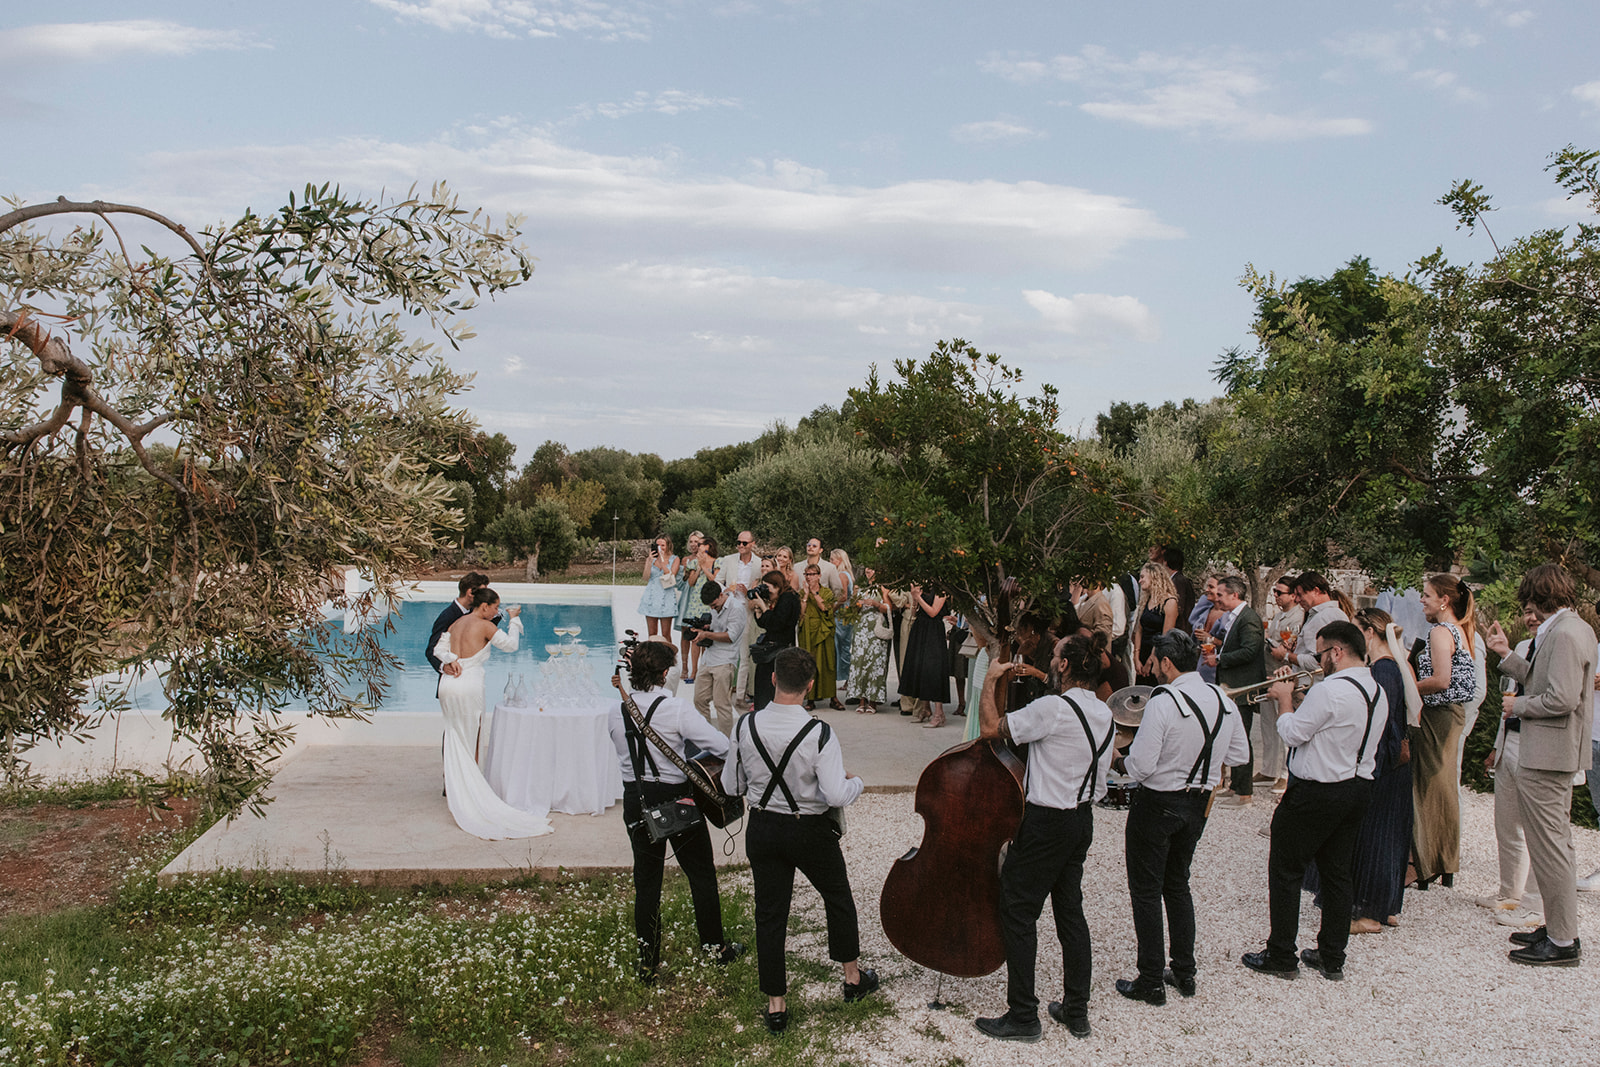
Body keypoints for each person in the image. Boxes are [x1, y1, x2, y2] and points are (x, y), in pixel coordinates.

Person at [721, 647, 876, 1034]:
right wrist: (856, 783)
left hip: (763, 827)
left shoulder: (744, 726)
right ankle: (852, 978)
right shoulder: (819, 732)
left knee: (770, 913)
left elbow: (731, 785)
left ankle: (776, 1005)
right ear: (810, 686)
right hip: (809, 830)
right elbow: (835, 794)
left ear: (773, 679)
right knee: (837, 898)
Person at [972, 635, 1116, 1042]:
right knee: (1070, 913)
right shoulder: (1104, 712)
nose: (1050, 661)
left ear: (1065, 665)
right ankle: (1076, 1010)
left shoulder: (1053, 708)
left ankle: (1023, 1016)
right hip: (1081, 819)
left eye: (1054, 657)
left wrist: (990, 680)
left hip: (1046, 822)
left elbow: (990, 729)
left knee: (1017, 910)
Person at [1242, 621, 1387, 981]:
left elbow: (1293, 733)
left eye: (1321, 654)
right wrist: (1297, 699)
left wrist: (1284, 699)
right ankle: (1331, 956)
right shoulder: (1375, 690)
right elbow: (1325, 727)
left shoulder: (1329, 690)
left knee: (1286, 869)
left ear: (1337, 651)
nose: (1318, 662)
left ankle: (1281, 954)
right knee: (1337, 874)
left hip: (1317, 791)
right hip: (1356, 788)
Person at [1117, 631, 1250, 1003]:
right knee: (1177, 885)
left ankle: (1150, 980)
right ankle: (1184, 972)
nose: (1152, 668)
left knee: (1146, 891)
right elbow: (1239, 756)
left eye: (1154, 661)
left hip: (1157, 802)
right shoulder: (1222, 699)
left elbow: (1142, 766)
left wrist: (1119, 760)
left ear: (1167, 663)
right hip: (1198, 805)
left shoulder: (1163, 701)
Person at [611, 638, 744, 982]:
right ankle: (715, 947)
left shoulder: (617, 711)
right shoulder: (676, 709)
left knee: (646, 881)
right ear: (664, 674)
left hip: (636, 799)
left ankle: (647, 963)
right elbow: (721, 746)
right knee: (700, 874)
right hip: (675, 799)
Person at [1485, 564, 1597, 966]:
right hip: (1552, 753)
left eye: (1529, 601)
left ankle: (1563, 940)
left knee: (1551, 849)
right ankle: (1555, 928)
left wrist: (1519, 706)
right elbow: (1542, 679)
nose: (1527, 610)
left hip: (1549, 755)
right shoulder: (1572, 628)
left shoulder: (1564, 634)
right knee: (1553, 846)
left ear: (1540, 595)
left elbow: (1562, 699)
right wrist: (1507, 656)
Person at [1306, 608, 1415, 934]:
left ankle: (1369, 912)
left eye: (1355, 631)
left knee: (1375, 838)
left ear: (1369, 632)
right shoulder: (1389, 667)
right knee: (1385, 836)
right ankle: (1384, 907)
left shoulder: (1383, 670)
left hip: (1382, 764)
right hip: (1388, 763)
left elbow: (1380, 724)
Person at [432, 590, 553, 840]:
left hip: (448, 684)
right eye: (496, 607)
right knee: (472, 738)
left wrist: (449, 661)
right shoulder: (484, 625)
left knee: (455, 736)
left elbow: (438, 649)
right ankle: (472, 795)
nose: (497, 612)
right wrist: (514, 619)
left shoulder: (456, 623)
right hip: (468, 684)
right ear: (484, 606)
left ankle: (459, 791)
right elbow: (511, 646)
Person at [1479, 605, 1545, 928]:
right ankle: (1509, 892)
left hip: (1539, 744)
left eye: (1537, 611)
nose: (1531, 618)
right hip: (1511, 739)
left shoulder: (1556, 646)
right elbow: (1508, 700)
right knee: (1506, 822)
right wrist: (1496, 745)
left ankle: (1534, 903)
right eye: (1528, 611)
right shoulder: (1521, 646)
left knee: (1538, 829)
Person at [1411, 572, 1476, 889]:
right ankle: (1443, 860)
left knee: (1427, 786)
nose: (1422, 600)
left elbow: (1441, 680)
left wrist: (1407, 687)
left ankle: (1424, 862)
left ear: (1444, 600)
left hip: (1437, 714)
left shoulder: (1440, 632)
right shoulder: (1461, 631)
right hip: (1451, 714)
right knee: (1444, 785)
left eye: (1426, 595)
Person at [1205, 576, 1266, 808]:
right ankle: (1235, 786)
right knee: (1233, 736)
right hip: (1233, 685)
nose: (1217, 598)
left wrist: (1219, 659)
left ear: (1235, 595)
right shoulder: (1235, 617)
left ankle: (1244, 792)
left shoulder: (1248, 619)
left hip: (1242, 686)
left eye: (1220, 594)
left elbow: (1250, 650)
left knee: (1242, 738)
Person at [716, 530, 765, 708]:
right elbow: (717, 580)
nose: (741, 546)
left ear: (752, 544)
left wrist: (748, 592)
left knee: (744, 655)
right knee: (726, 652)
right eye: (738, 542)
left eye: (744, 543)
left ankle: (740, 696)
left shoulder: (759, 563)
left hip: (748, 611)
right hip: (730, 609)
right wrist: (727, 590)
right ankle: (723, 692)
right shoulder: (728, 560)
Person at [691, 580, 747, 736]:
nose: (712, 608)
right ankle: (706, 738)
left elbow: (731, 636)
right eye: (710, 606)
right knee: (699, 700)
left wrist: (706, 634)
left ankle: (726, 742)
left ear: (721, 595)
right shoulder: (715, 606)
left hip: (725, 660)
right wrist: (705, 628)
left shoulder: (736, 608)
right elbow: (716, 628)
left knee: (721, 704)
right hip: (709, 658)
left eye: (714, 605)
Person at [898, 582, 952, 728]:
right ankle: (925, 708)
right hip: (920, 628)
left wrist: (918, 597)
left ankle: (939, 713)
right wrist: (915, 601)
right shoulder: (922, 587)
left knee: (933, 668)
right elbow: (914, 613)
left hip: (933, 630)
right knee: (920, 667)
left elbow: (933, 612)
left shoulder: (941, 589)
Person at [426, 572, 490, 692]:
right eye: (482, 593)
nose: (485, 597)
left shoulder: (476, 613)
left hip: (471, 680)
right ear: (470, 592)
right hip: (451, 681)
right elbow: (431, 650)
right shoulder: (447, 616)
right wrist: (443, 666)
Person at [749, 570, 800, 711]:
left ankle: (767, 711)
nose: (766, 591)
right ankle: (763, 710)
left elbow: (777, 624)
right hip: (772, 649)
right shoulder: (780, 598)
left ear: (777, 586)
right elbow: (766, 624)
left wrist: (764, 608)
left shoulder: (788, 598)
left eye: (767, 587)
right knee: (763, 684)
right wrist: (759, 610)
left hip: (779, 650)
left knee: (769, 687)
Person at [1288, 572, 1348, 675]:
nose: (1297, 600)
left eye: (1300, 594)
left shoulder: (1324, 616)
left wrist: (1286, 656)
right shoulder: (1328, 614)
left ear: (1316, 591)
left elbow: (1317, 661)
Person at [848, 567, 891, 714]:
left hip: (876, 629)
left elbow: (888, 608)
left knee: (875, 664)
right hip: (861, 629)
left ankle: (873, 701)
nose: (869, 571)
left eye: (872, 568)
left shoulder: (882, 587)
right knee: (860, 663)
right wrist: (856, 603)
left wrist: (876, 604)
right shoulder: (860, 587)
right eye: (867, 568)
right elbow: (852, 609)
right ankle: (861, 700)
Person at [797, 563, 839, 710]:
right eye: (807, 574)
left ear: (819, 576)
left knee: (827, 663)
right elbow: (801, 613)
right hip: (807, 631)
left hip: (823, 630)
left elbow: (826, 608)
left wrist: (814, 593)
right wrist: (806, 595)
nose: (809, 577)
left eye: (812, 574)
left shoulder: (826, 592)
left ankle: (833, 697)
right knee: (809, 664)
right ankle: (810, 699)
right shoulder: (802, 592)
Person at [1132, 562, 1180, 686]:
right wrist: (1136, 657)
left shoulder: (1169, 602)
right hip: (1143, 651)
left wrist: (1151, 660)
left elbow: (1165, 635)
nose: (1140, 581)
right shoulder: (1146, 600)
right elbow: (1139, 630)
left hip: (1158, 654)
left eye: (1142, 577)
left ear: (1154, 577)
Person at [675, 532, 713, 682]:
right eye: (691, 541)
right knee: (687, 632)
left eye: (697, 542)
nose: (693, 544)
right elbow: (685, 581)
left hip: (703, 598)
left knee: (703, 633)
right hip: (689, 597)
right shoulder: (686, 560)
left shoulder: (713, 561)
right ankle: (686, 667)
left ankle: (701, 669)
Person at [638, 535, 681, 639]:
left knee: (666, 634)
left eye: (662, 545)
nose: (660, 548)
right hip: (651, 597)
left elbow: (671, 577)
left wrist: (662, 562)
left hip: (666, 597)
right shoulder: (651, 559)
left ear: (668, 546)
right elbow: (645, 577)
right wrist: (649, 562)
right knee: (652, 633)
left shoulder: (675, 559)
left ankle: (667, 650)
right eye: (658, 545)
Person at [831, 549, 857, 704]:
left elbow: (843, 596)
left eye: (832, 559)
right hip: (847, 614)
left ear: (839, 560)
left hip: (841, 615)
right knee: (845, 646)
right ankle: (848, 679)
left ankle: (848, 677)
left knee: (840, 647)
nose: (831, 562)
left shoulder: (841, 575)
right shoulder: (849, 575)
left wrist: (832, 610)